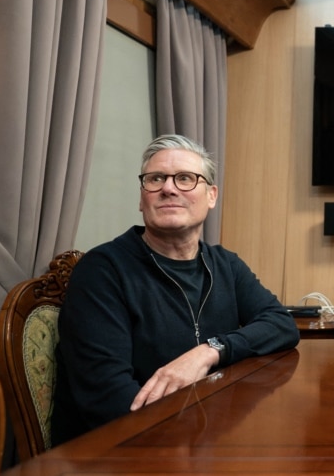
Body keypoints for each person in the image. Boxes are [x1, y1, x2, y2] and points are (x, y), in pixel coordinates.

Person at [52, 134, 299, 444]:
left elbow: (280, 324)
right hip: (122, 450)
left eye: (185, 178)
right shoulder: (103, 271)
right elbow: (112, 404)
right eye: (155, 179)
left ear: (211, 195)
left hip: (204, 437)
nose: (168, 188)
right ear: (142, 198)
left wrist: (208, 351)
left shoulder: (226, 264)